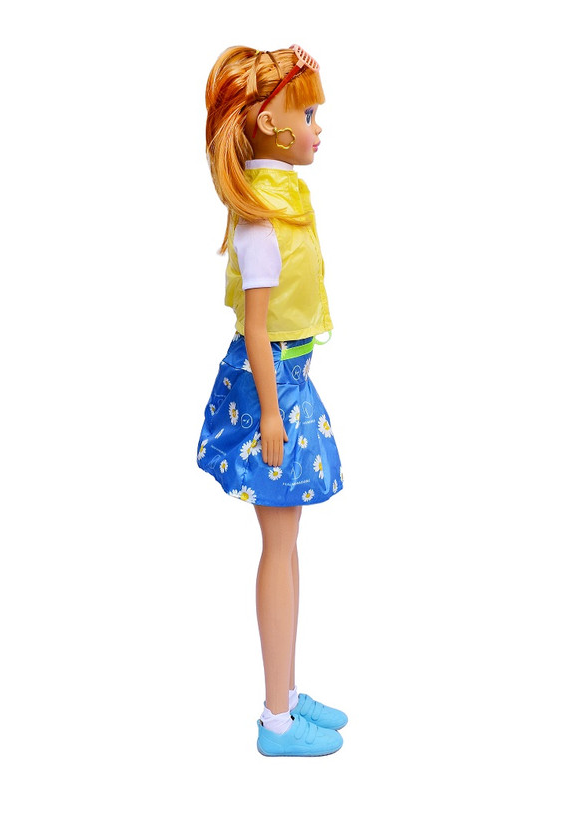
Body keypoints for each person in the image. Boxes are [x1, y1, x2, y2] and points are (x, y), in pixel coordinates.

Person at [197, 45, 346, 757]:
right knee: (279, 545)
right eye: (307, 114)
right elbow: (255, 330)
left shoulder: (281, 204)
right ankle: (276, 721)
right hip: (272, 386)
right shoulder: (262, 220)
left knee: (287, 543)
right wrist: (271, 412)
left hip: (290, 377)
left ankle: (285, 692)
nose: (318, 127)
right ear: (268, 124)